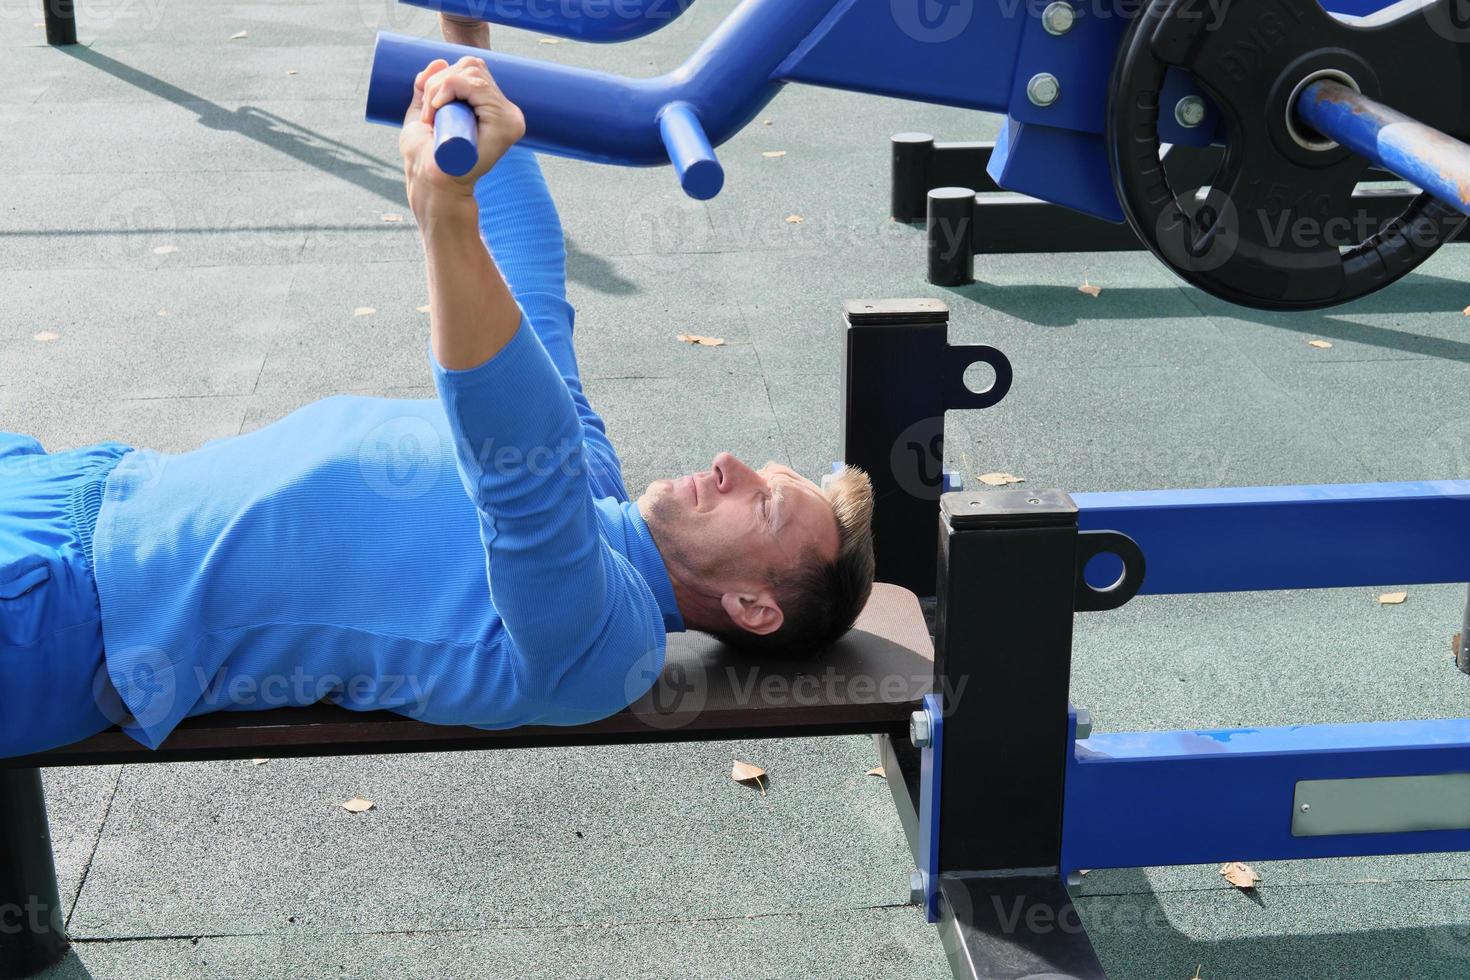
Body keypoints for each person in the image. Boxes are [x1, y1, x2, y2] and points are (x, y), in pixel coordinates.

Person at [0, 19, 876, 759]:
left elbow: (520, 486)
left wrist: (442, 209)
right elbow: (532, 290)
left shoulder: (608, 650)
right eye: (762, 470)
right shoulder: (598, 482)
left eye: (763, 505)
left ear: (752, 608)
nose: (729, 466)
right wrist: (469, 55)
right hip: (82, 485)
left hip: (71, 612)